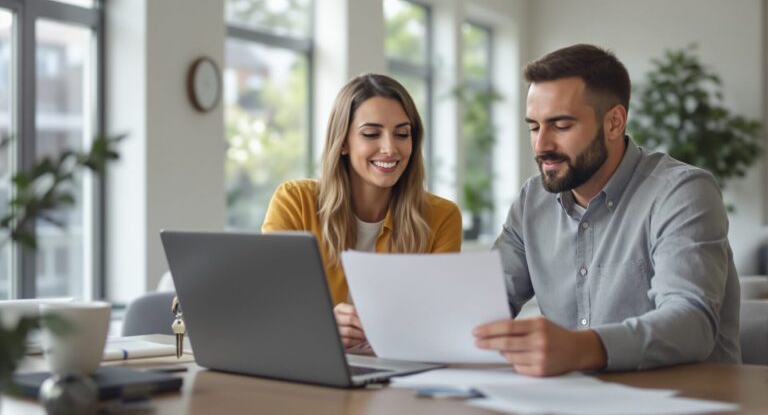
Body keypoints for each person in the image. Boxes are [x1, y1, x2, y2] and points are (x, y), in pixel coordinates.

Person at [473, 44, 741, 376]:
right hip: (573, 396)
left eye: (561, 125)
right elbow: (482, 306)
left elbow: (692, 324)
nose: (541, 145)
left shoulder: (681, 192)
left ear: (614, 123)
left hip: (688, 395)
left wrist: (580, 348)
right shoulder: (532, 201)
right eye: (534, 127)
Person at [262, 73, 462, 350]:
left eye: (402, 134)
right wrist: (321, 325)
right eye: (371, 134)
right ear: (343, 142)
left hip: (399, 367)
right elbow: (270, 304)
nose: (390, 148)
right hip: (309, 361)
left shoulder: (442, 217)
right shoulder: (295, 202)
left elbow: (439, 321)